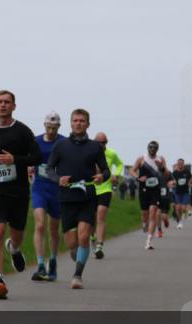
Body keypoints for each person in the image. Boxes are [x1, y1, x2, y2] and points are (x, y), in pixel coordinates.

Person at [0, 90, 42, 299]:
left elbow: (36, 157)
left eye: (7, 102)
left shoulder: (22, 131)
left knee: (17, 234)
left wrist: (15, 160)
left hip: (19, 191)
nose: (3, 105)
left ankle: (13, 249)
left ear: (14, 106)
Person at [44, 109, 110, 289]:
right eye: (75, 120)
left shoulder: (95, 147)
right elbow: (49, 169)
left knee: (83, 236)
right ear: (70, 123)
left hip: (87, 197)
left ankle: (77, 275)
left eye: (82, 121)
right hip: (67, 198)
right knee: (72, 242)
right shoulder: (61, 145)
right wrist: (59, 179)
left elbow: (106, 170)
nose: (78, 123)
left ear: (88, 124)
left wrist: (101, 177)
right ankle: (77, 252)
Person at [28, 112, 64, 281]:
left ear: (58, 127)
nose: (51, 130)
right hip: (39, 187)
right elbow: (29, 158)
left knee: (54, 229)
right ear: (44, 126)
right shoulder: (36, 141)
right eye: (48, 127)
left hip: (57, 189)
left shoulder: (63, 142)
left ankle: (54, 260)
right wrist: (29, 167)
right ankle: (41, 264)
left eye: (54, 127)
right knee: (40, 225)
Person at [91, 132, 124, 259]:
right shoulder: (89, 153)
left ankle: (99, 246)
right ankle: (92, 236)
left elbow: (120, 164)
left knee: (101, 214)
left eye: (104, 143)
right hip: (91, 188)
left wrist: (116, 174)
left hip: (106, 188)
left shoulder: (111, 153)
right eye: (99, 143)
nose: (101, 145)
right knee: (91, 218)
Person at [132, 141, 167, 250]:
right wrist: (138, 178)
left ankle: (149, 241)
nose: (152, 150)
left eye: (154, 149)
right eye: (151, 148)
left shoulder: (161, 159)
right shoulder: (141, 159)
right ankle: (144, 223)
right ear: (148, 149)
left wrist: (161, 167)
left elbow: (166, 174)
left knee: (153, 213)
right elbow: (132, 170)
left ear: (157, 149)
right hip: (144, 189)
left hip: (155, 189)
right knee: (145, 214)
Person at [171, 159, 192, 226]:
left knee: (183, 208)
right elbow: (172, 180)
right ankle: (180, 221)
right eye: (179, 163)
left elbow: (191, 177)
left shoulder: (187, 172)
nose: (180, 164)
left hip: (185, 192)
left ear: (183, 164)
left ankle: (184, 213)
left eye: (181, 163)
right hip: (177, 192)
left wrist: (189, 182)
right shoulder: (174, 173)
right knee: (178, 207)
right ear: (177, 164)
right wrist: (173, 183)